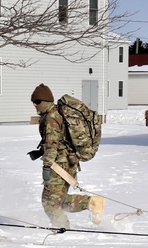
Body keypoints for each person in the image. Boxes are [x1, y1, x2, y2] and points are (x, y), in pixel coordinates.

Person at [29, 83, 103, 228]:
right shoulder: (55, 114)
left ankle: (62, 229)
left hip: (58, 166)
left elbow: (52, 144)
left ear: (45, 102)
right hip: (68, 164)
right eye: (33, 102)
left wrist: (46, 167)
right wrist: (39, 152)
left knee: (49, 203)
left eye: (37, 102)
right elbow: (59, 140)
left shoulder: (51, 117)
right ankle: (91, 203)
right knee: (59, 201)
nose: (34, 105)